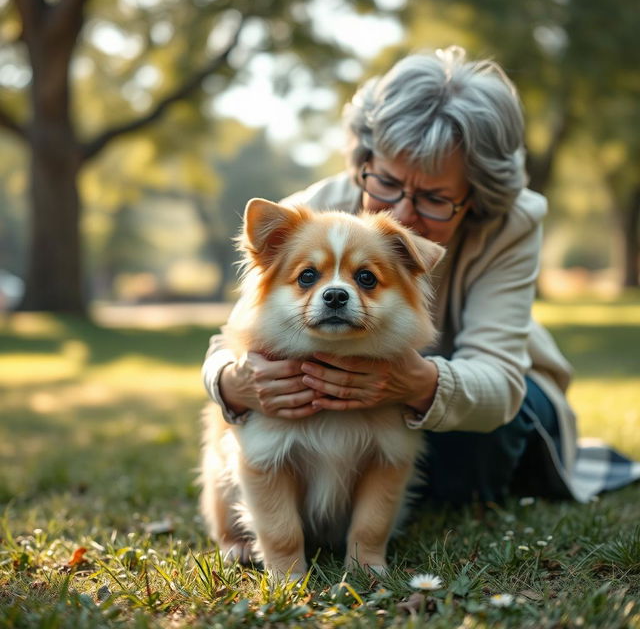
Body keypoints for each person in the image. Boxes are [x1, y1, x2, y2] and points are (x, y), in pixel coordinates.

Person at [202, 46, 582, 506]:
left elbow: (499, 381)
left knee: (462, 463)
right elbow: (234, 339)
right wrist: (234, 383)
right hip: (378, 413)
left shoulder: (511, 223)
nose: (401, 211)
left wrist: (416, 382)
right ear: (365, 159)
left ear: (478, 193)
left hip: (498, 392)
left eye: (434, 198)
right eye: (386, 182)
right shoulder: (316, 212)